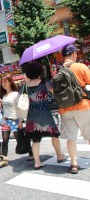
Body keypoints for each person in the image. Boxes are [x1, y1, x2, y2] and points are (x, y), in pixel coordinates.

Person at [19, 62, 66, 170]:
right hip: (45, 113)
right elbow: (55, 91)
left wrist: (20, 119)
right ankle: (59, 155)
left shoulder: (24, 86)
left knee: (35, 140)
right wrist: (54, 77)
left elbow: (21, 101)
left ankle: (37, 162)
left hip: (32, 115)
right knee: (54, 135)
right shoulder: (45, 83)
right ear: (40, 71)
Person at [57, 44, 90, 174]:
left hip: (65, 108)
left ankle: (74, 164)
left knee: (72, 137)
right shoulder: (80, 67)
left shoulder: (59, 71)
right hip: (82, 105)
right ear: (73, 54)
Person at [0, 74, 32, 168]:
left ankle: (31, 152)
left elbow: (19, 108)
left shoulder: (16, 94)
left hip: (15, 120)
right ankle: (4, 160)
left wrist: (20, 121)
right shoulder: (4, 95)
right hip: (6, 120)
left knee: (20, 140)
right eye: (2, 82)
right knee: (5, 140)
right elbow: (5, 107)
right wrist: (0, 105)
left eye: (5, 82)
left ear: (10, 82)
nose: (3, 84)